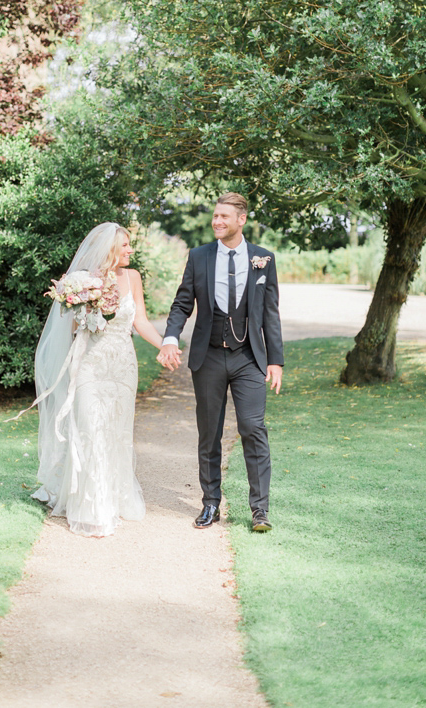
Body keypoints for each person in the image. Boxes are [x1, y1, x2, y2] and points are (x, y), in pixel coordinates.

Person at [158, 192, 284, 533]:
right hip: (209, 355)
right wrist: (170, 338)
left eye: (224, 217)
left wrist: (276, 362)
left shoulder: (263, 259)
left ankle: (260, 511)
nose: (217, 221)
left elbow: (270, 314)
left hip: (249, 359)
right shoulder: (199, 257)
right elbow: (183, 303)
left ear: (241, 220)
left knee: (253, 428)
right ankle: (210, 503)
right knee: (209, 432)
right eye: (215, 216)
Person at [32, 223, 167, 537]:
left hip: (122, 365)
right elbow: (66, 331)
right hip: (91, 365)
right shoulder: (81, 282)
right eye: (125, 246)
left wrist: (166, 345)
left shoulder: (132, 278)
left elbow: (141, 320)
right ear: (109, 250)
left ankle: (115, 497)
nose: (130, 251)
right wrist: (86, 318)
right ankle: (92, 509)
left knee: (117, 431)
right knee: (92, 431)